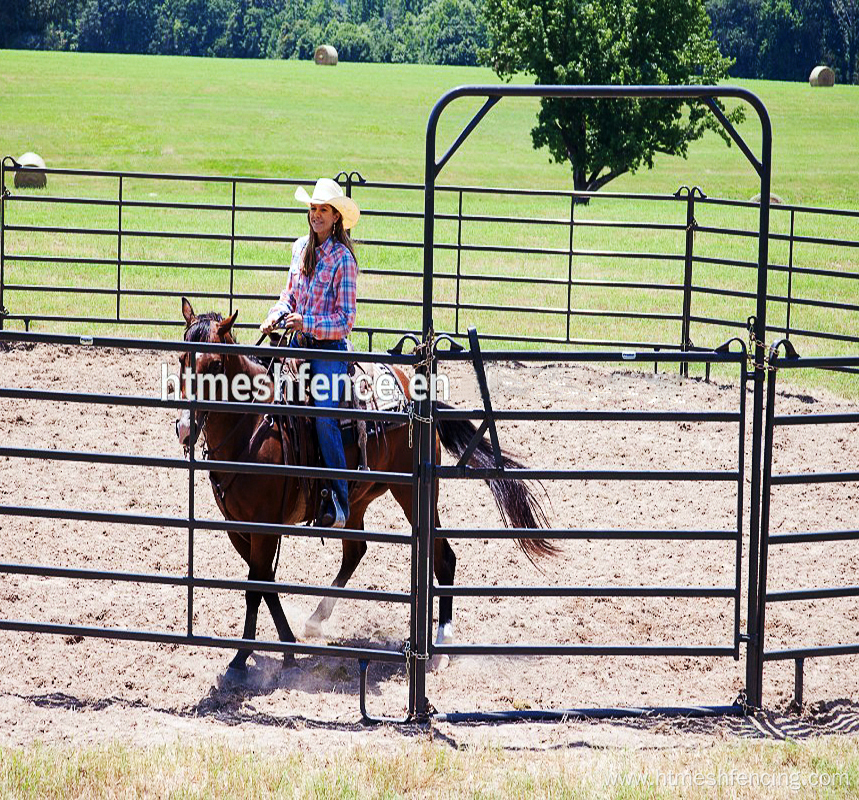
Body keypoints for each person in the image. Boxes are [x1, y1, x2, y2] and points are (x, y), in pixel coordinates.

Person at [260, 178, 360, 529]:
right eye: (313, 209)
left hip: (329, 349)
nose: (316, 215)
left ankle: (338, 498)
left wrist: (308, 323)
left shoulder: (343, 259)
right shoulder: (300, 247)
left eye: (323, 210)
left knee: (323, 414)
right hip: (296, 344)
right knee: (261, 394)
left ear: (336, 218)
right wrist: (276, 315)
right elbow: (289, 295)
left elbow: (345, 321)